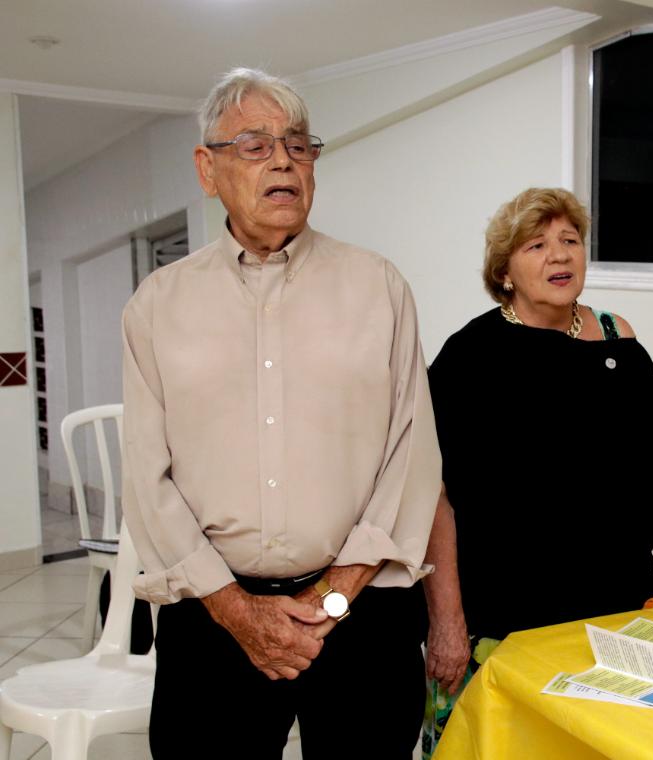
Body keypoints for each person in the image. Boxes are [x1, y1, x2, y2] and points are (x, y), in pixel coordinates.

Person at [121, 68, 440, 758]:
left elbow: (412, 455)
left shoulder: (378, 287)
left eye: (298, 145)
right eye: (255, 145)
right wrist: (235, 610)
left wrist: (334, 598)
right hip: (212, 619)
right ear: (208, 169)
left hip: (362, 615)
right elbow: (147, 475)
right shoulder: (157, 305)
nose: (284, 162)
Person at [420, 187, 653, 755]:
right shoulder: (470, 357)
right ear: (504, 272)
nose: (559, 255)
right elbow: (437, 495)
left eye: (570, 240)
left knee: (618, 744)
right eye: (536, 245)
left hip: (619, 599)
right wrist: (446, 619)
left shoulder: (619, 338)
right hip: (508, 610)